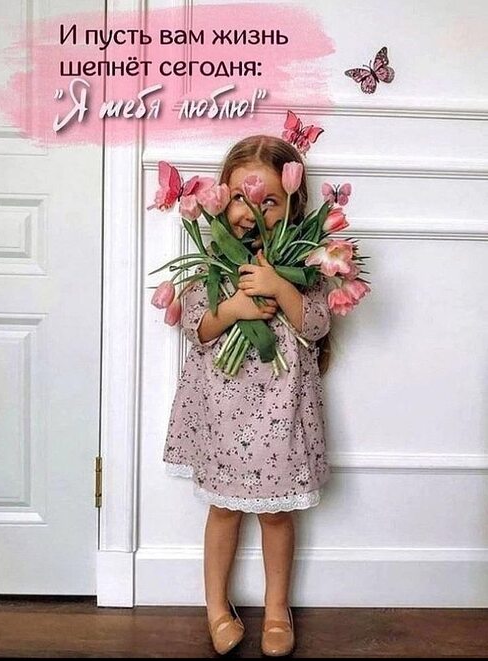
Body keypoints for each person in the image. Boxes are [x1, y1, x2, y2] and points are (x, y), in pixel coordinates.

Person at [162, 135, 332, 656]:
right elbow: (196, 327)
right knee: (223, 510)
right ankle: (217, 607)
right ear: (221, 198)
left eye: (269, 200)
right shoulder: (211, 263)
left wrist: (280, 287)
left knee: (277, 515)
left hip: (281, 411)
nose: (251, 209)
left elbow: (317, 325)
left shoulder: (304, 262)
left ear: (292, 204)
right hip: (222, 410)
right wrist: (234, 308)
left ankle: (277, 609)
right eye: (239, 196)